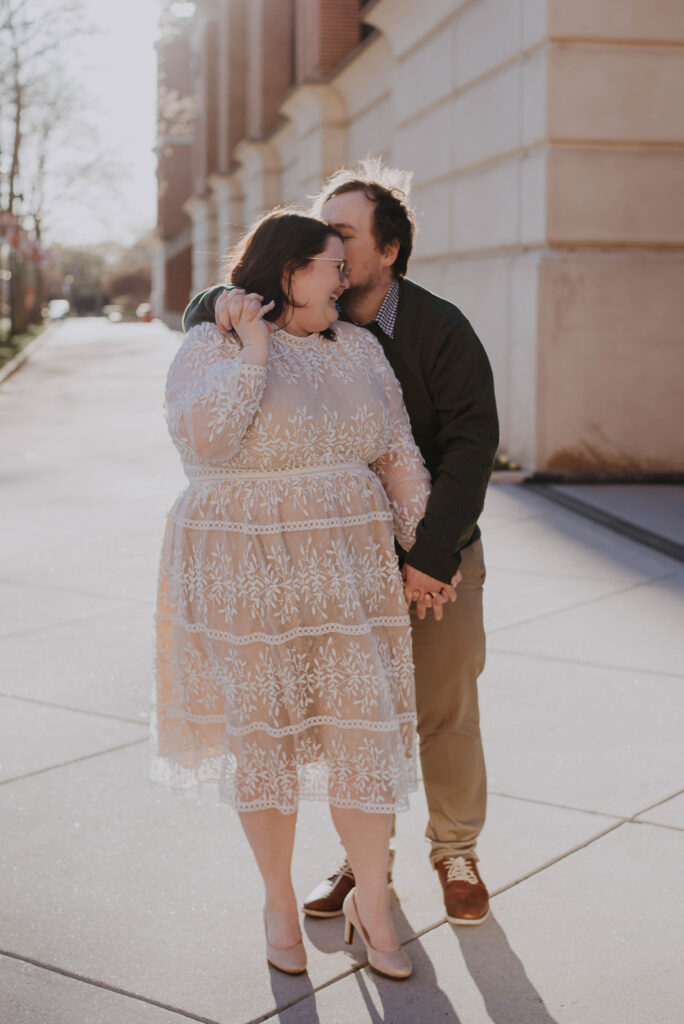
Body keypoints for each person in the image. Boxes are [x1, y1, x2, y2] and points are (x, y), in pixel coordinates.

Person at [183, 160, 500, 927]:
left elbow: (471, 443)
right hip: (332, 558)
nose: (331, 244)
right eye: (324, 233)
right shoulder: (299, 317)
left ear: (387, 251)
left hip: (434, 549)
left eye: (347, 235)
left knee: (441, 708)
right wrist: (220, 301)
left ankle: (456, 849)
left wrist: (430, 558)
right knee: (357, 721)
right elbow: (208, 307)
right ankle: (367, 869)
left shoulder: (437, 326)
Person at [153, 209, 432, 979]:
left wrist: (430, 552)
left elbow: (398, 451)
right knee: (265, 743)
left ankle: (371, 903)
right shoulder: (208, 344)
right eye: (332, 267)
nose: (347, 280)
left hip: (351, 574)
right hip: (247, 574)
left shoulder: (362, 349)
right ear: (287, 273)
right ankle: (278, 900)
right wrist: (251, 348)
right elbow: (208, 441)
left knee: (362, 737)